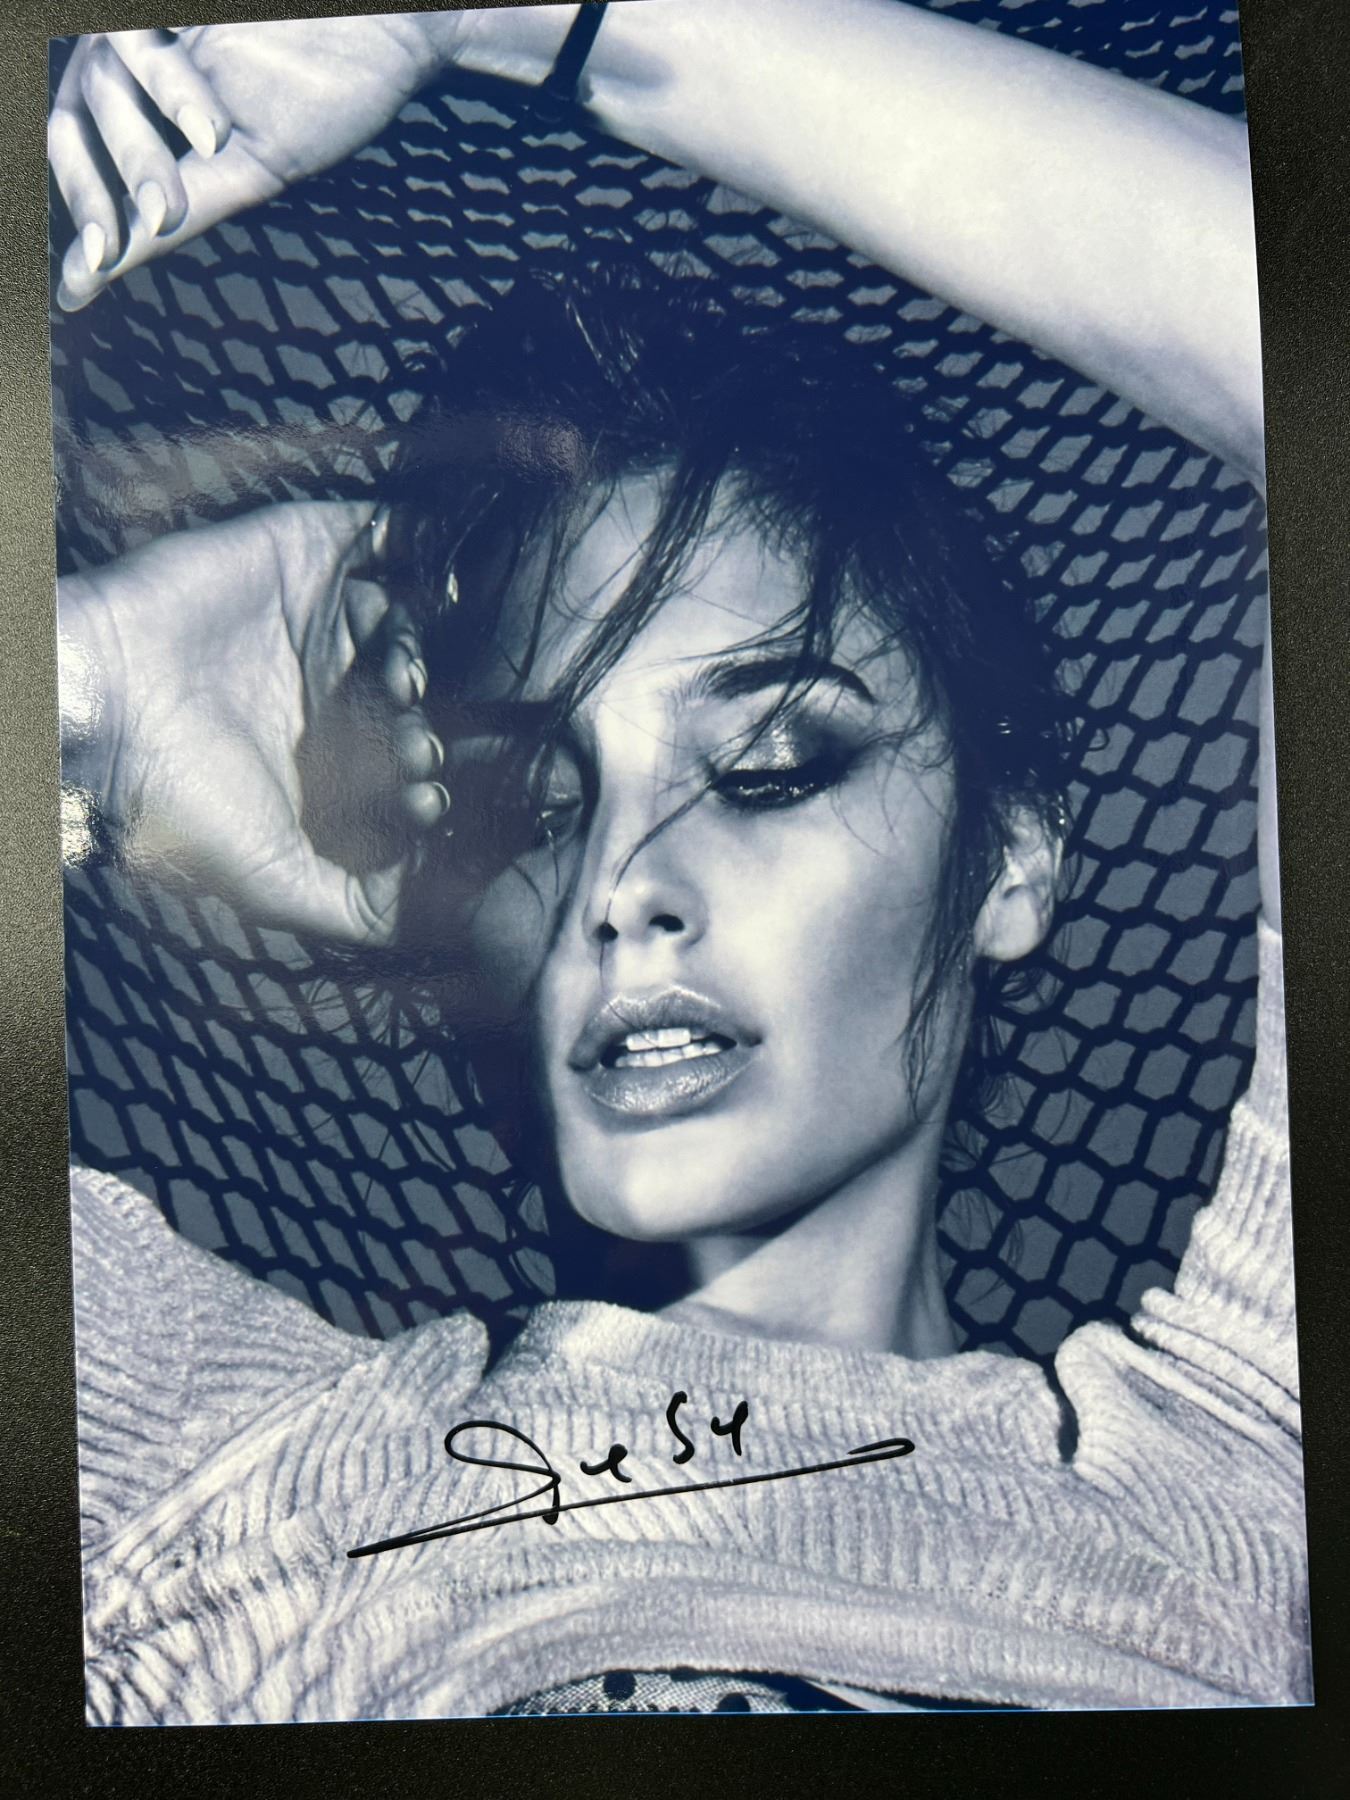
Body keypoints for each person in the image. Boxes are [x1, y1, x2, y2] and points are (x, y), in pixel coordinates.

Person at [52, 3, 1304, 1720]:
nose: (621, 885)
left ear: (1013, 852)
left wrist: (516, 13)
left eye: (771, 767)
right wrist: (90, 695)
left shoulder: (1241, 1499)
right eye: (539, 800)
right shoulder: (198, 1467)